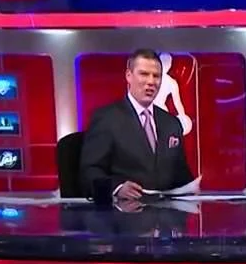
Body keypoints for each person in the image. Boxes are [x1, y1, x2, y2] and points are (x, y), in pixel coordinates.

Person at [79, 49, 195, 202]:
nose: (151, 82)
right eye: (144, 74)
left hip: (167, 213)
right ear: (129, 76)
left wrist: (195, 189)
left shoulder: (171, 123)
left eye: (156, 76)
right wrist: (117, 188)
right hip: (123, 212)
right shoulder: (106, 118)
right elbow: (89, 172)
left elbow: (182, 177)